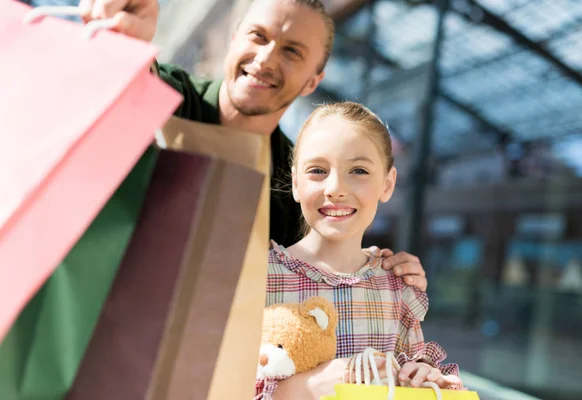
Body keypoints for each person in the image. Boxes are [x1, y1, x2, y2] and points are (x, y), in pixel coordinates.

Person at [78, 0, 429, 289]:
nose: (265, 59)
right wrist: (124, 44)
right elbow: (130, 85)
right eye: (258, 36)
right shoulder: (168, 95)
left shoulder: (299, 180)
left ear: (313, 81)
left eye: (292, 51)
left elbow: (317, 271)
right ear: (234, 39)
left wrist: (383, 272)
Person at [258, 102, 462, 400]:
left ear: (388, 184)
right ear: (296, 183)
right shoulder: (257, 276)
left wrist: (424, 376)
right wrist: (306, 388)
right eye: (317, 170)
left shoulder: (400, 286)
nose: (336, 188)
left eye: (359, 170)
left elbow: (413, 372)